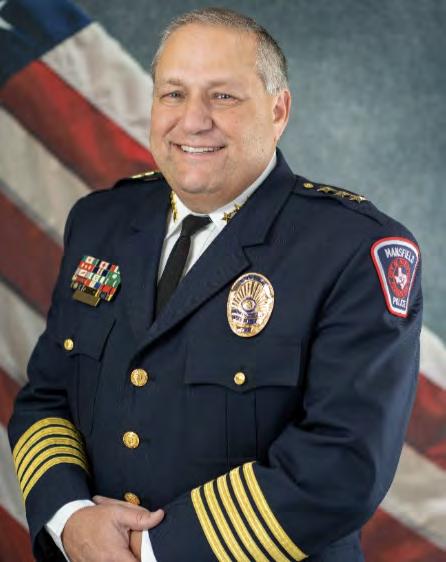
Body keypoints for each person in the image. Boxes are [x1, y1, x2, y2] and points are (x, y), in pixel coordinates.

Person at [8, 7, 422, 562]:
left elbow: (342, 463)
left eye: (222, 96)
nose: (193, 120)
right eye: (173, 94)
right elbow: (47, 397)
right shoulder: (101, 222)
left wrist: (150, 550)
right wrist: (69, 519)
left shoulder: (351, 249)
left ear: (278, 110)